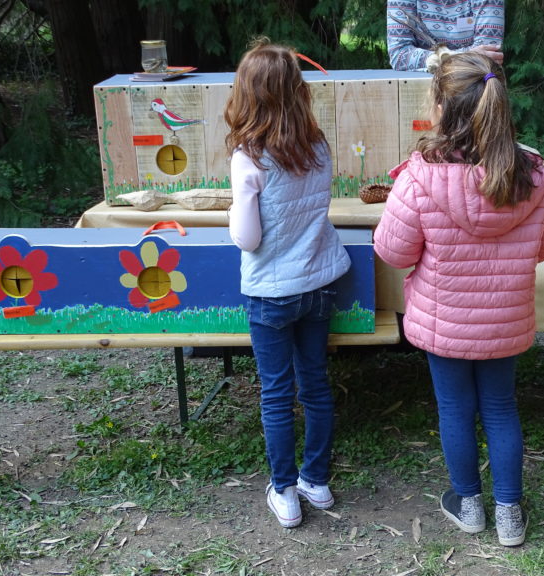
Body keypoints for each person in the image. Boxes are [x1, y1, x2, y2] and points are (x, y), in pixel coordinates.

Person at [373, 52, 544, 545]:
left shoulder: (419, 178)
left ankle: (468, 504)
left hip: (444, 322)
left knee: (455, 410)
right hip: (505, 320)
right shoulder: (534, 177)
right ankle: (508, 516)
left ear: (441, 107)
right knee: (501, 407)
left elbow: (393, 252)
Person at [225, 39, 351, 529]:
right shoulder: (317, 146)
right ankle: (315, 481)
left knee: (277, 394)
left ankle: (284, 491)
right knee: (316, 385)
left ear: (247, 94)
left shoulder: (248, 157)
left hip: (270, 293)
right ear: (297, 92)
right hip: (318, 285)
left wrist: (235, 212)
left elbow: (248, 239)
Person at [387, 0, 505, 71]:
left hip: (476, 90)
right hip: (419, 89)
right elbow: (399, 54)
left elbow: (488, 57)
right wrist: (456, 56)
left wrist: (434, 60)